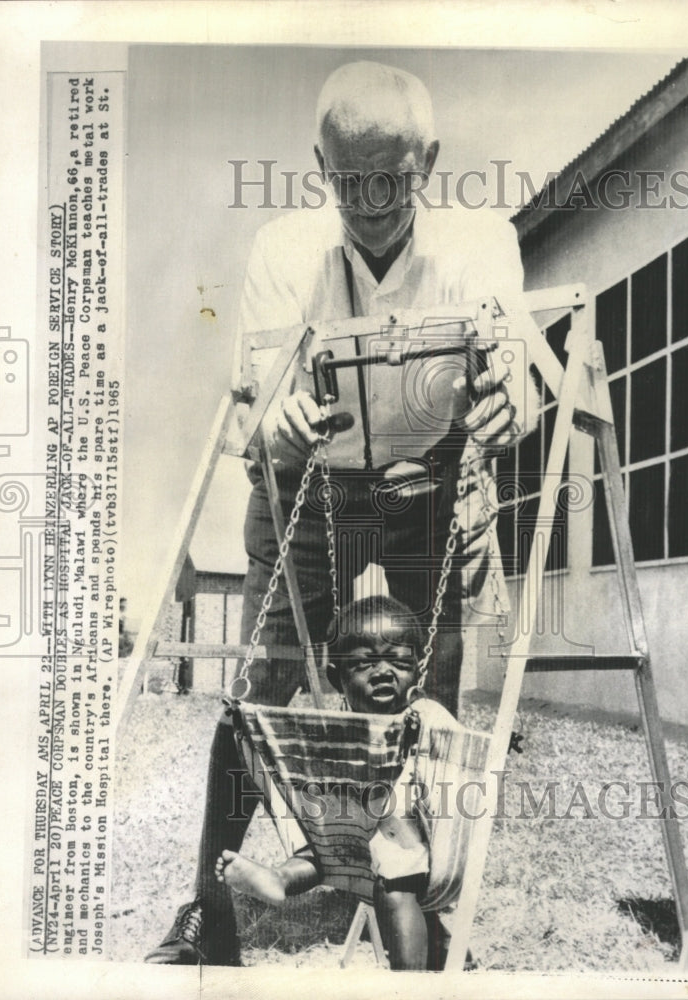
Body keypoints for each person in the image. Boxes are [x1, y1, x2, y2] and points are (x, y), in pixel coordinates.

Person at [146, 59, 538, 966]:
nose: (366, 200)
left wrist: (511, 400)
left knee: (436, 707)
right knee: (260, 692)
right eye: (343, 177)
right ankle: (212, 906)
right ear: (319, 165)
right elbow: (257, 419)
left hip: (432, 482)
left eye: (388, 178)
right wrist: (277, 425)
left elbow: (515, 367)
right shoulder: (285, 250)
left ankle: (429, 906)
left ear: (428, 161)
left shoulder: (480, 242)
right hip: (311, 490)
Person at [215, 596, 464, 971]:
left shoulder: (422, 712)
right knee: (316, 852)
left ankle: (412, 985)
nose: (384, 672)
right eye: (365, 663)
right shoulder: (338, 730)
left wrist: (472, 742)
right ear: (337, 678)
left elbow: (458, 746)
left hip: (410, 844)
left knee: (397, 890)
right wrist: (248, 726)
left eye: (399, 661)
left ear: (416, 670)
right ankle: (278, 880)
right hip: (350, 838)